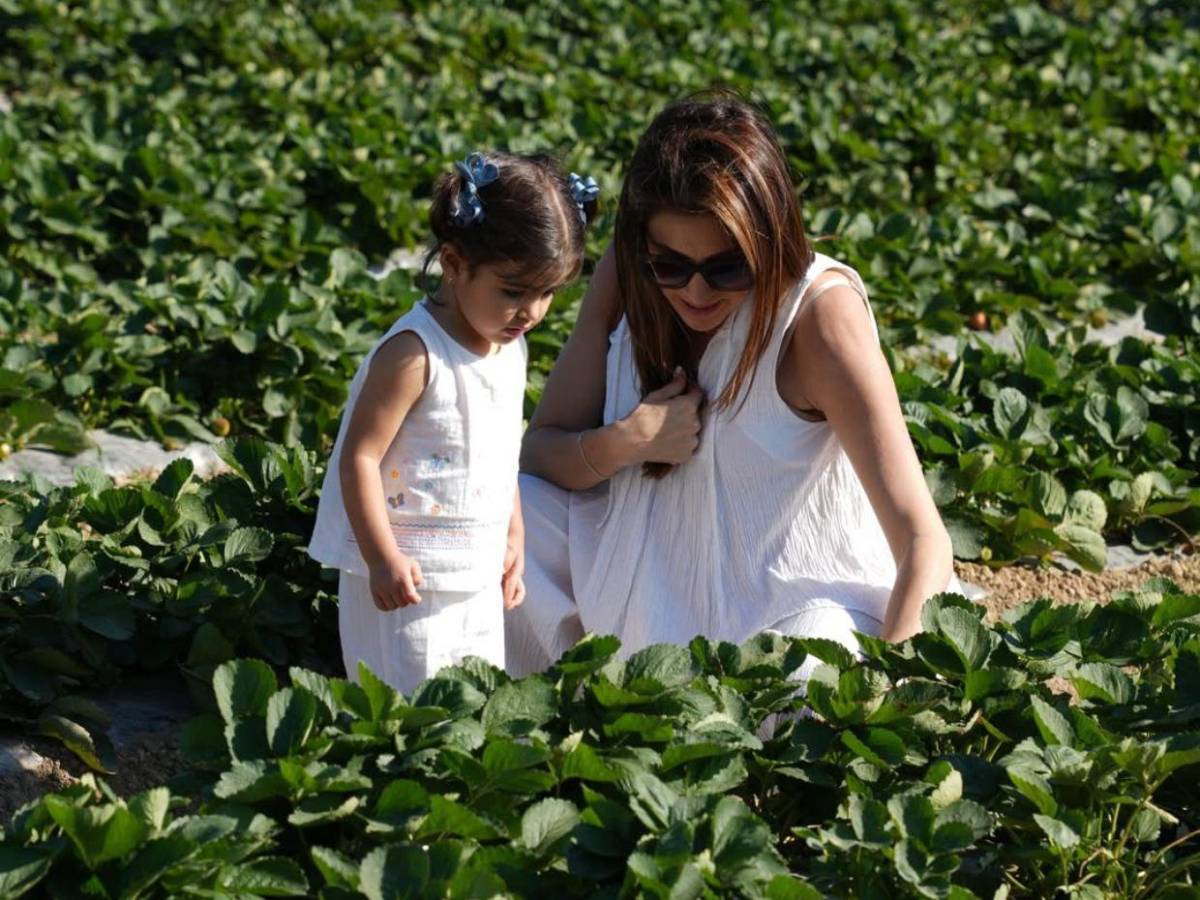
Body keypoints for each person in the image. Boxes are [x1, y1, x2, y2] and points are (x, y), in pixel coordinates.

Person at [507, 93, 963, 686]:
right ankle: (553, 702)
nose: (695, 291)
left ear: (769, 242)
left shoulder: (818, 319)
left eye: (726, 268)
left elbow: (925, 542)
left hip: (788, 607)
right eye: (670, 264)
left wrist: (881, 696)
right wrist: (627, 440)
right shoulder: (629, 275)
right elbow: (539, 454)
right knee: (493, 521)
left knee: (804, 685)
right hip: (637, 570)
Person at [308, 151, 597, 694]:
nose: (531, 312)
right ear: (455, 263)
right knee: (407, 700)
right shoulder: (415, 356)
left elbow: (499, 449)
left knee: (470, 695)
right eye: (514, 291)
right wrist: (381, 558)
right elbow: (360, 457)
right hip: (408, 579)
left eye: (548, 293)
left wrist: (512, 532)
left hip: (475, 571)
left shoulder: (508, 348)